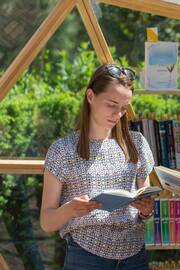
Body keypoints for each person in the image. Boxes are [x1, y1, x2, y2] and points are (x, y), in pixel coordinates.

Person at [40, 64, 155, 270]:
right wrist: (69, 210)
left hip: (134, 256)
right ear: (90, 96)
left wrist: (146, 210)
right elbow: (46, 222)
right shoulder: (62, 151)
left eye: (123, 108)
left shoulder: (137, 143)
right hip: (86, 258)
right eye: (111, 104)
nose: (118, 114)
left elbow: (145, 201)